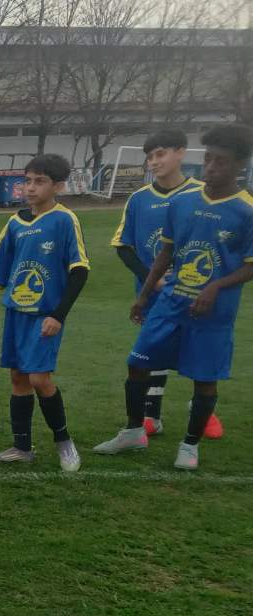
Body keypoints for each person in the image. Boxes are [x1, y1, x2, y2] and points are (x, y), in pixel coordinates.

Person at [92, 124, 253, 471]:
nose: (211, 168)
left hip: (212, 312)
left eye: (220, 162)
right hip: (170, 303)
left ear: (240, 165)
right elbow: (165, 253)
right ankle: (134, 431)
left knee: (204, 378)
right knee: (137, 364)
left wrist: (215, 286)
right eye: (208, 159)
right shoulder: (182, 202)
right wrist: (144, 295)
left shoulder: (247, 210)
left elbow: (250, 265)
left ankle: (189, 445)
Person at [0, 154, 87, 471]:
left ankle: (64, 443)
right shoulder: (15, 223)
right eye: (27, 181)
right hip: (16, 312)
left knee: (39, 378)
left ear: (58, 186)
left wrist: (58, 315)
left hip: (45, 316)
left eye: (39, 181)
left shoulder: (64, 220)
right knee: (18, 378)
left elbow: (79, 271)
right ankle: (21, 447)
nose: (30, 188)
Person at [109, 129, 217, 438]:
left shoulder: (204, 193)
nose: (154, 162)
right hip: (153, 293)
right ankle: (151, 414)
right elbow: (123, 246)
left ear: (180, 152)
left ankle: (205, 411)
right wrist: (151, 280)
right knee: (152, 350)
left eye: (160, 154)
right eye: (150, 157)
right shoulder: (139, 199)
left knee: (198, 348)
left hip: (194, 292)